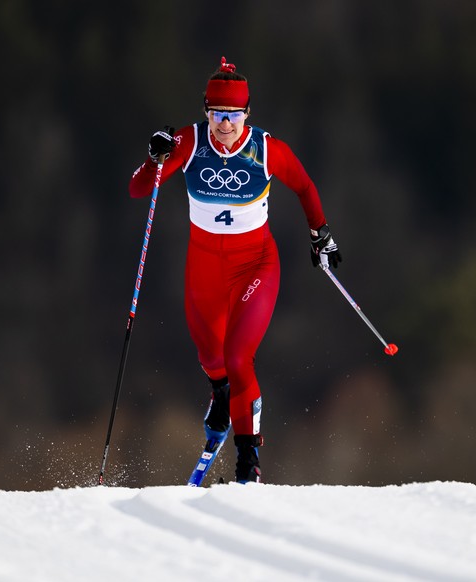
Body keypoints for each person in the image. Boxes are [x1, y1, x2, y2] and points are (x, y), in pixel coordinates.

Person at [128, 56, 342, 483]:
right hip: (204, 267)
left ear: (247, 113)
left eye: (234, 115)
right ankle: (221, 395)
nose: (225, 125)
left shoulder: (266, 150)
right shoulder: (188, 142)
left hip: (256, 264)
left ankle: (249, 460)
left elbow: (304, 186)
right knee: (211, 357)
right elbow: (138, 189)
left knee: (238, 356)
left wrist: (320, 234)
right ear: (206, 111)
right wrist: (154, 159)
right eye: (217, 114)